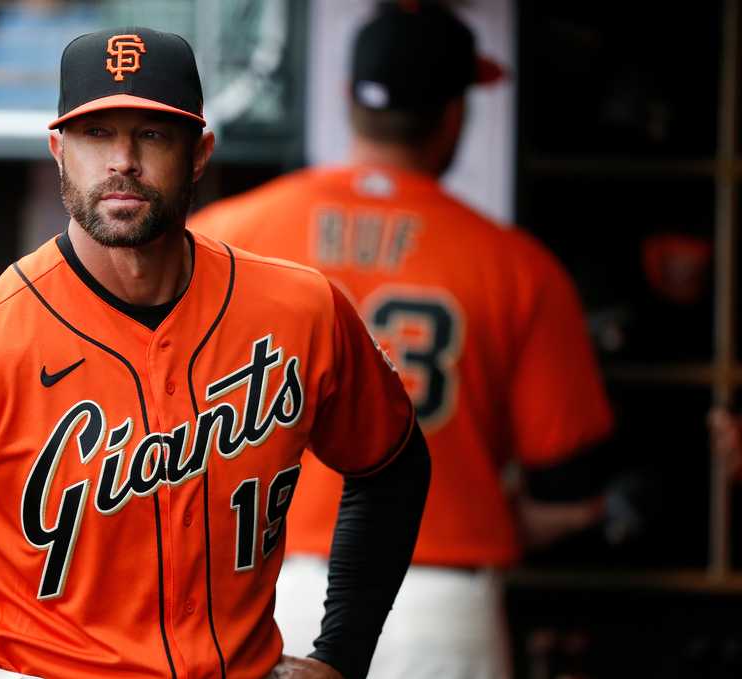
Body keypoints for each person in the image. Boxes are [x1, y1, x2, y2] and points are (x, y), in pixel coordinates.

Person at [0, 26, 430, 679]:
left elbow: (393, 463)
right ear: (58, 151)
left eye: (151, 134)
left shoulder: (301, 308)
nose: (121, 161)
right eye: (96, 133)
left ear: (199, 153)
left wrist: (343, 651)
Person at [190, 3, 614, 678]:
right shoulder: (515, 263)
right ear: (453, 116)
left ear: (347, 99)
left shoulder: (224, 237)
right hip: (440, 602)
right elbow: (571, 496)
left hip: (265, 591)